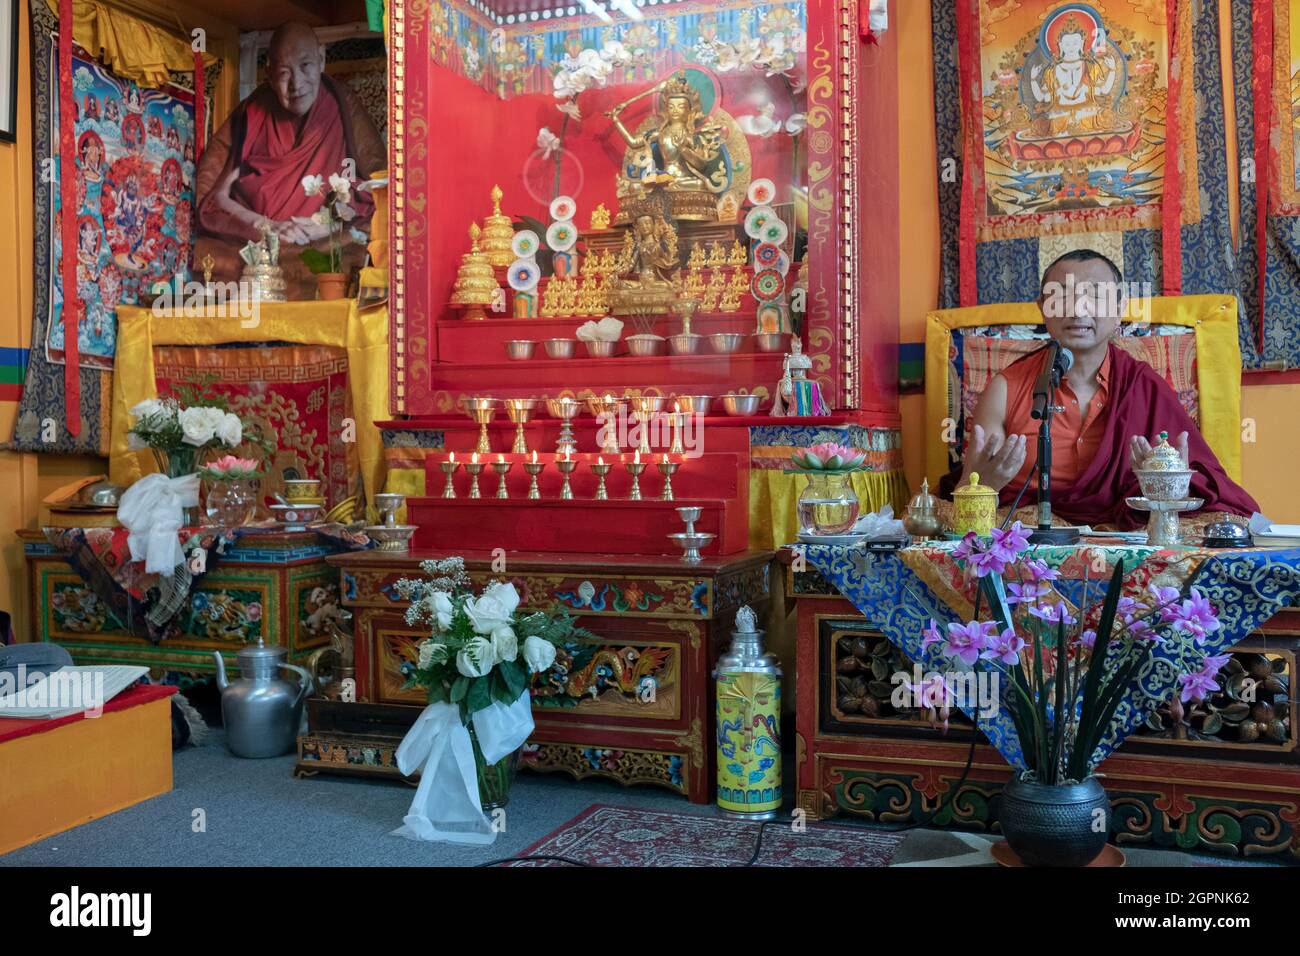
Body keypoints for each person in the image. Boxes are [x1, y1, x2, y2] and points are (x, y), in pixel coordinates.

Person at [941, 249, 1259, 529]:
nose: (1078, 310)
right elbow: (969, 501)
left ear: (1119, 308)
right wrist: (988, 486)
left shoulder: (1142, 385)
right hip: (1032, 535)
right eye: (1062, 296)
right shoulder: (1006, 389)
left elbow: (1205, 484)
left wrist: (1167, 487)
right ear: (1043, 308)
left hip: (1125, 531)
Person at [195, 22, 385, 299]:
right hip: (258, 241)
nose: (296, 84)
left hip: (320, 241)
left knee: (356, 247)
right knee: (209, 254)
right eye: (283, 73)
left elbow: (375, 187)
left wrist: (324, 225)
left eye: (306, 66)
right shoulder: (254, 112)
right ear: (270, 74)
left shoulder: (342, 105)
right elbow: (217, 196)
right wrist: (266, 226)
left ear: (322, 60)